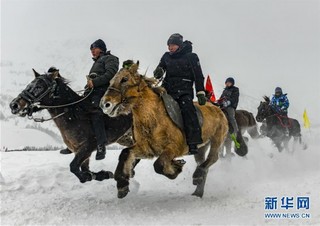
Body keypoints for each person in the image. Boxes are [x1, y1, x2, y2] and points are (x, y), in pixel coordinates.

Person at [59, 39, 119, 160]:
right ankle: (73, 143)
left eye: (94, 49)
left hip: (103, 93)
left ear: (101, 48)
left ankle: (101, 145)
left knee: (96, 113)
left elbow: (111, 74)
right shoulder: (97, 61)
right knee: (75, 110)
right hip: (91, 92)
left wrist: (95, 82)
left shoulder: (110, 59)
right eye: (91, 50)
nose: (92, 51)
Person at [153, 33, 206, 155]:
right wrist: (158, 71)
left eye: (172, 45)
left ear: (179, 45)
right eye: (169, 45)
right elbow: (159, 69)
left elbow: (198, 75)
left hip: (184, 90)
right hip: (167, 90)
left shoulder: (191, 57)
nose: (170, 48)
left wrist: (200, 92)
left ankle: (193, 142)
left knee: (187, 110)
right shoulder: (166, 56)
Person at [217, 77, 240, 148]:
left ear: (232, 83)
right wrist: (218, 102)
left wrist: (228, 102)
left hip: (231, 106)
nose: (228, 83)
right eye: (227, 82)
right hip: (223, 106)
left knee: (231, 117)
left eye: (229, 82)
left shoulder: (235, 90)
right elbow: (221, 98)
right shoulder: (225, 90)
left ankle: (236, 130)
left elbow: (234, 98)